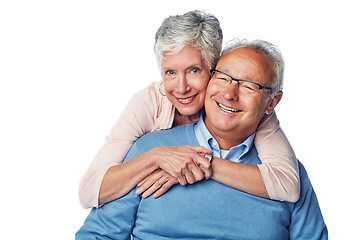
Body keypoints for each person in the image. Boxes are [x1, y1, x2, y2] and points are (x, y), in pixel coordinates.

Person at [76, 39, 328, 239]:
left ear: (271, 103)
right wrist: (157, 157)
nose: (230, 93)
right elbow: (97, 235)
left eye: (249, 86)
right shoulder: (149, 149)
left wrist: (203, 163)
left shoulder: (285, 173)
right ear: (210, 80)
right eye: (223, 78)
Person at [79, 10, 299, 209]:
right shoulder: (150, 103)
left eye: (194, 70)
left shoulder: (242, 105)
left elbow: (288, 185)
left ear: (215, 70)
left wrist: (202, 165)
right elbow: (89, 192)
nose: (182, 88)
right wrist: (156, 157)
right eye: (170, 73)